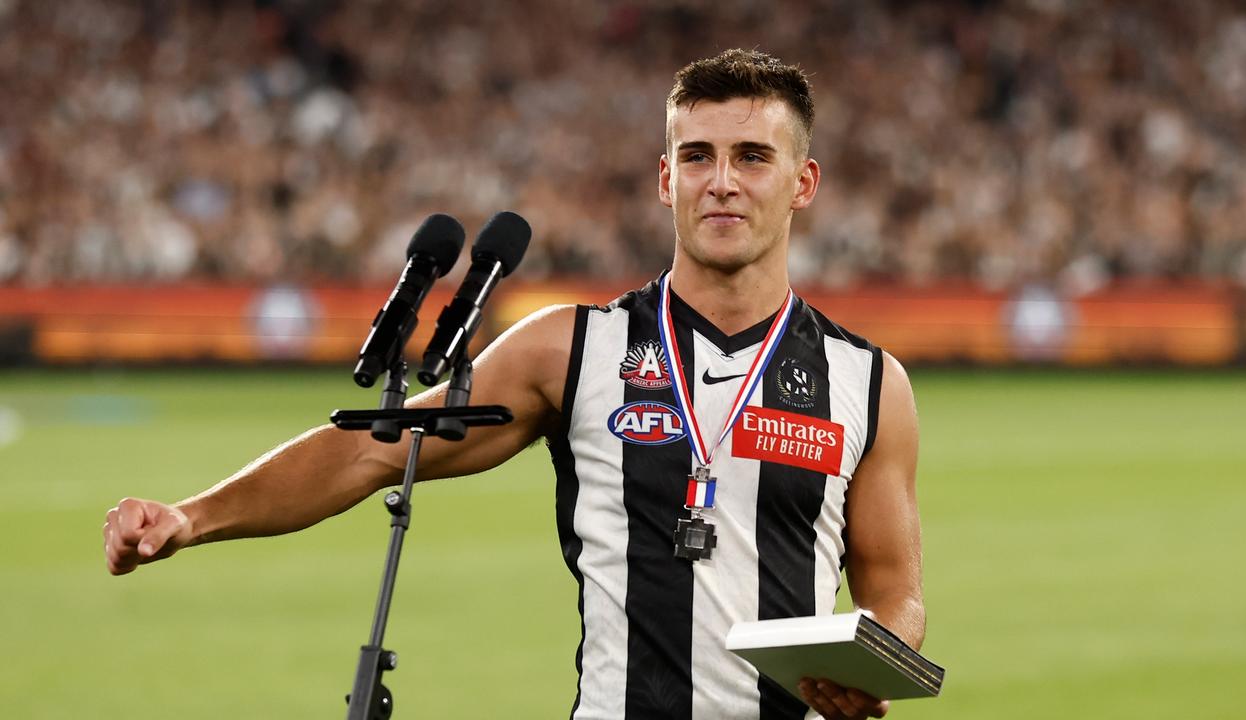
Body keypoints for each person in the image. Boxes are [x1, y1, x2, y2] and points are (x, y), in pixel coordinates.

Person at [102, 49, 925, 720]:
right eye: (696, 155)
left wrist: (877, 664)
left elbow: (896, 594)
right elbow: (369, 453)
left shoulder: (867, 380)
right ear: (665, 179)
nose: (722, 181)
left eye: (752, 157)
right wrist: (190, 517)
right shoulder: (573, 347)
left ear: (803, 183)